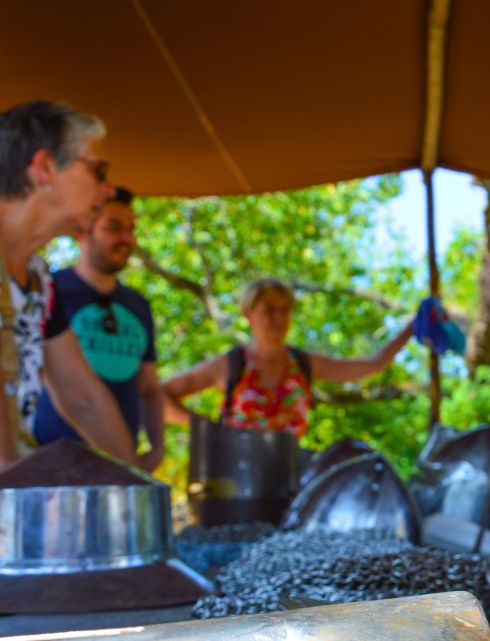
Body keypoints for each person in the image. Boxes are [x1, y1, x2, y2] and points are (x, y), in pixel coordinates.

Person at [0, 100, 138, 467]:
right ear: (44, 167)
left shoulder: (39, 280)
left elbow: (82, 397)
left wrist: (138, 490)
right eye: (98, 171)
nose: (108, 190)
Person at [163, 277, 414, 437]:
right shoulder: (231, 365)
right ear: (248, 314)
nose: (278, 318)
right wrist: (209, 430)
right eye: (269, 310)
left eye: (285, 310)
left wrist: (412, 327)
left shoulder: (304, 364)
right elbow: (159, 397)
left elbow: (374, 364)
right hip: (236, 479)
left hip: (290, 477)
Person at [33, 188, 163, 471]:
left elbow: (150, 387)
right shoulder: (49, 290)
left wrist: (157, 448)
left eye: (131, 229)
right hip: (53, 461)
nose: (126, 239)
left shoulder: (137, 305)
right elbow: (71, 390)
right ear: (83, 230)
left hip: (118, 461)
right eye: (113, 227)